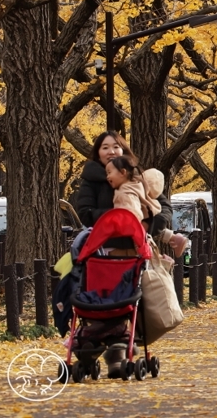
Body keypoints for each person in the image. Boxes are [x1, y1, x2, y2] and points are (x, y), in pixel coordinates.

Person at [72, 131, 175, 378]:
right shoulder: (91, 180)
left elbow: (163, 208)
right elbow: (84, 212)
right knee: (103, 294)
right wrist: (115, 219)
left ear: (124, 150)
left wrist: (150, 224)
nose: (111, 151)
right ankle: (101, 344)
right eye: (105, 147)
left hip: (135, 248)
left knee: (129, 296)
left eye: (116, 147)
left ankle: (118, 350)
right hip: (103, 247)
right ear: (97, 152)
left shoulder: (137, 176)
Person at [107, 157, 187, 257]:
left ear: (123, 172)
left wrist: (128, 223)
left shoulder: (125, 190)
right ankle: (173, 238)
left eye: (109, 172)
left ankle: (159, 251)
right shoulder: (138, 184)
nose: (107, 176)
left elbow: (131, 211)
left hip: (134, 225)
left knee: (141, 245)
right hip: (149, 213)